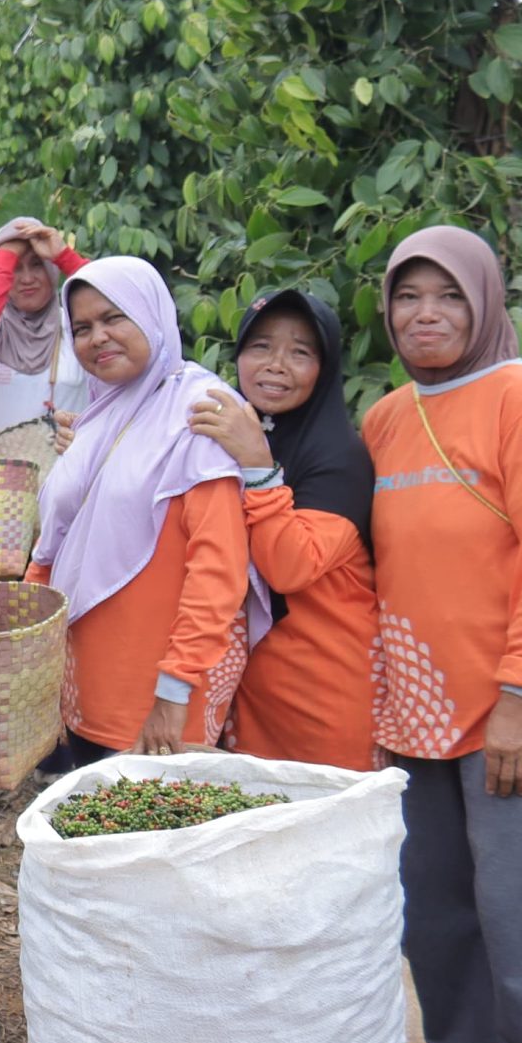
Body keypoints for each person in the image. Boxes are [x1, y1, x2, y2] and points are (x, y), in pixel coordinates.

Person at [359, 227, 522, 1043]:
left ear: (485, 302)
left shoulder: (521, 397)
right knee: (433, 906)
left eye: (448, 296)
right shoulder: (387, 417)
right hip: (415, 706)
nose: (424, 314)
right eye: (407, 295)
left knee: (520, 914)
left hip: (507, 710)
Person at [28, 258, 260, 764]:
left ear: (151, 315)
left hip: (162, 692)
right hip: (85, 682)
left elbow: (217, 569)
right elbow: (59, 541)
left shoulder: (199, 413)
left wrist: (173, 691)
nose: (98, 338)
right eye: (82, 328)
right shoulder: (102, 417)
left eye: (114, 317)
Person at [179, 290, 378, 772]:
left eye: (300, 352)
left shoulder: (340, 457)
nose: (276, 365)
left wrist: (258, 466)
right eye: (261, 346)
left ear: (324, 368)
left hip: (325, 689)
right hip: (249, 692)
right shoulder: (224, 434)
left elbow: (291, 567)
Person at [0, 216, 92, 451]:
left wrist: (64, 256)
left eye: (37, 264)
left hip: (66, 471)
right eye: (15, 267)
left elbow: (115, 301)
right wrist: (8, 251)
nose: (27, 279)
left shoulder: (75, 327)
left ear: (52, 269)